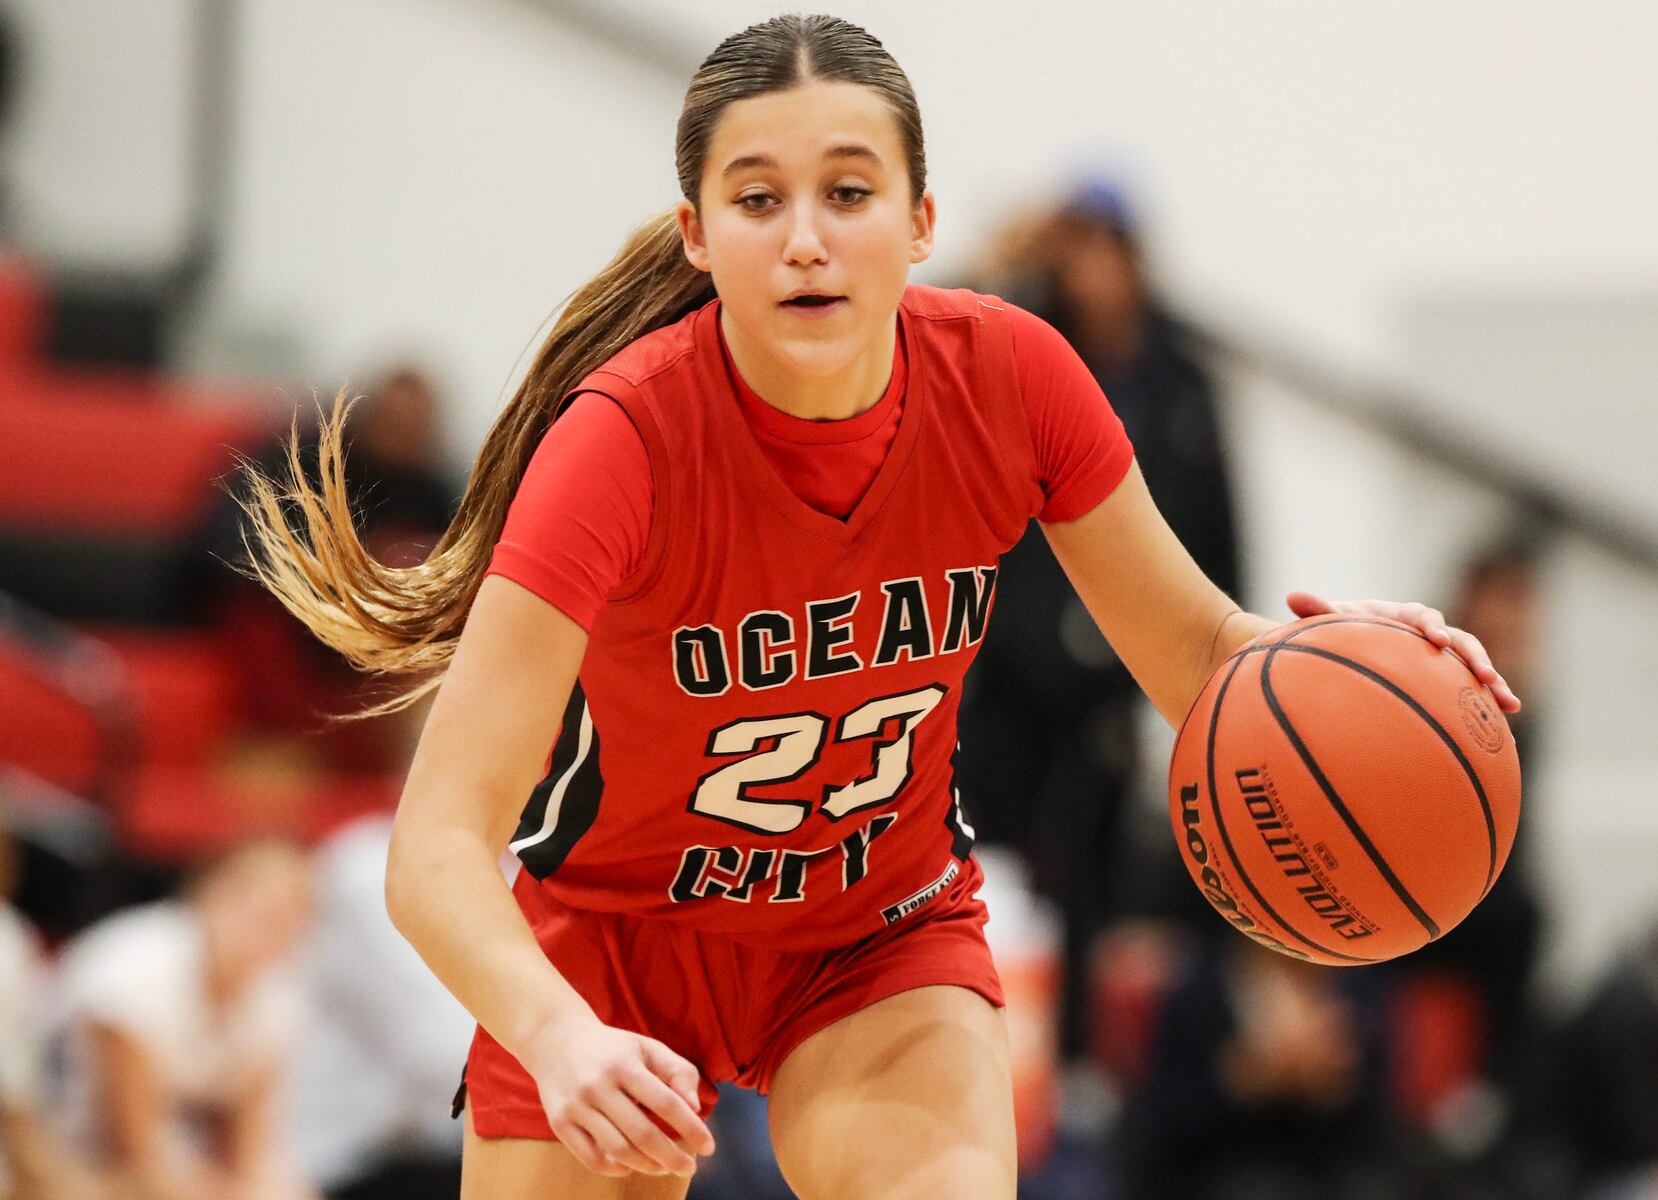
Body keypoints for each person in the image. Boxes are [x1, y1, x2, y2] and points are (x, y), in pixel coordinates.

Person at [230, 15, 1521, 1198]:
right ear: (696, 232)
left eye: (848, 192)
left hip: (873, 938)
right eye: (757, 198)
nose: (805, 237)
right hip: (612, 949)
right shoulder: (620, 442)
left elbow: (1199, 654)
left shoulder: (1013, 381)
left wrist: (1351, 662)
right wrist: (557, 1036)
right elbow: (436, 847)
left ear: (918, 222)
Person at [52, 838, 316, 1200]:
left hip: (177, 1166)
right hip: (66, 1157)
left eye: (292, 918)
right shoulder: (133, 969)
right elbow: (133, 1151)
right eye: (263, 912)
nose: (275, 932)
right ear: (210, 893)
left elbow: (251, 1150)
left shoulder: (274, 998)